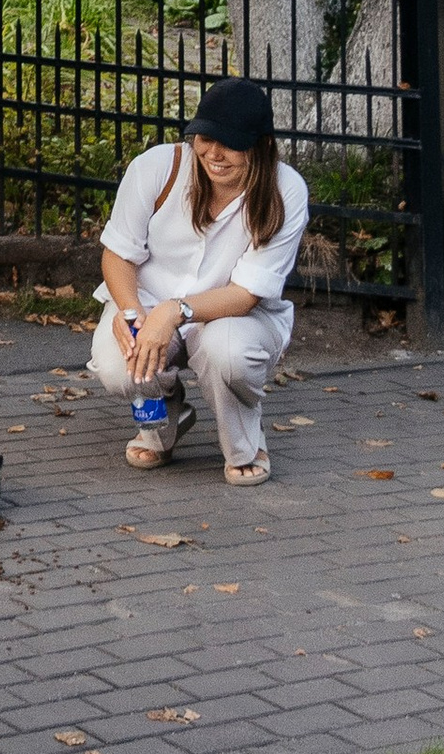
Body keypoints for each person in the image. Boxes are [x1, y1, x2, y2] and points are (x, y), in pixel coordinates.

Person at [91, 74, 309, 483]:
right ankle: (165, 417)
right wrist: (132, 314)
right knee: (118, 362)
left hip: (236, 315)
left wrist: (175, 311)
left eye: (230, 143)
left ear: (262, 145)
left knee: (227, 352)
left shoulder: (286, 191)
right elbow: (118, 253)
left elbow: (246, 294)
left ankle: (245, 445)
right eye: (205, 138)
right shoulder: (156, 167)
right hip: (149, 300)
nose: (214, 153)